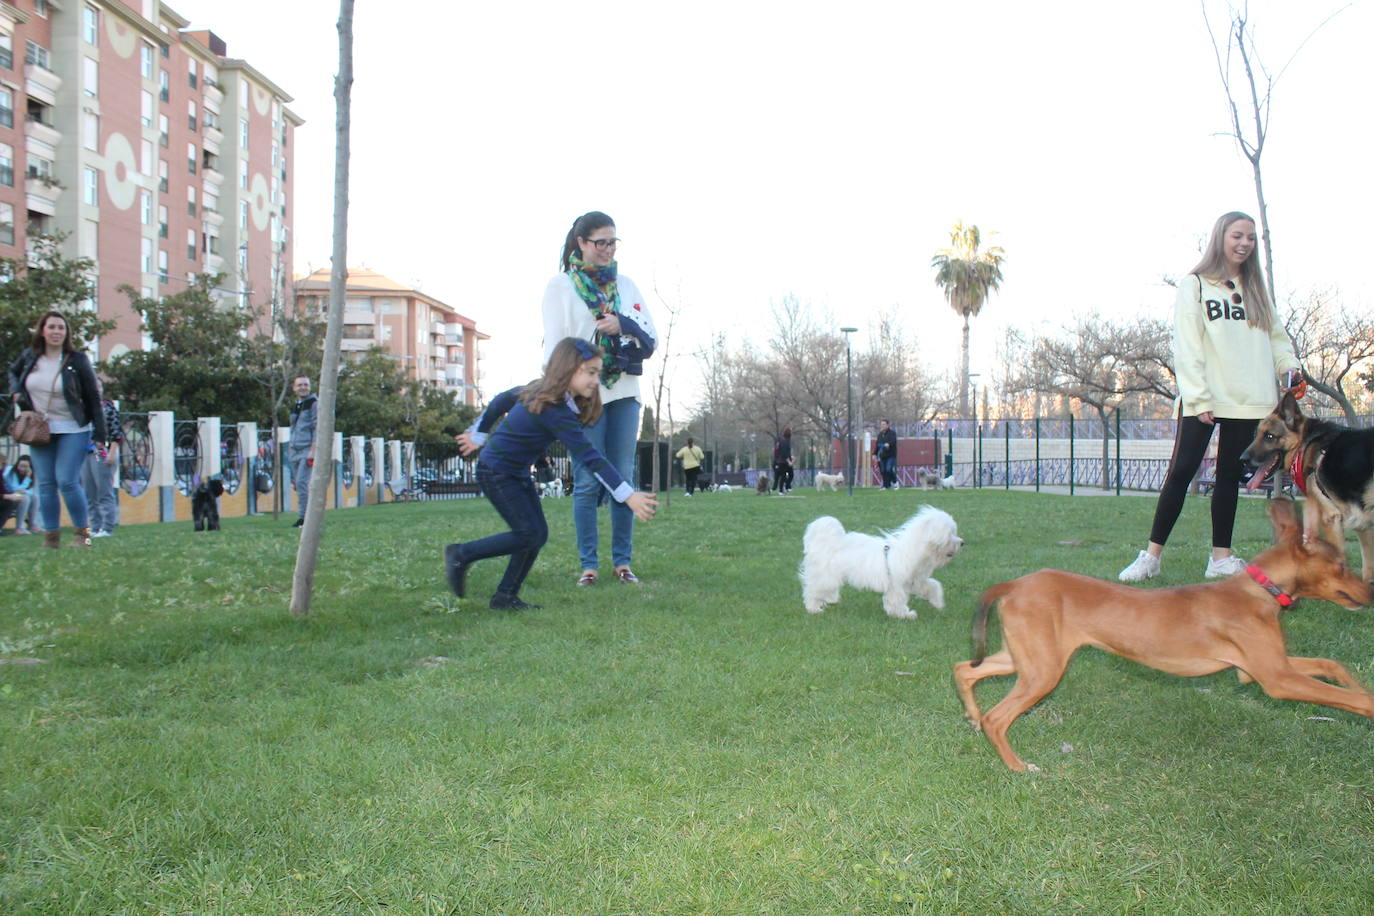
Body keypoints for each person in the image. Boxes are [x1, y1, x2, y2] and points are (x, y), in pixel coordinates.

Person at [1119, 211, 1301, 583]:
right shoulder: (1196, 285)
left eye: (1250, 238)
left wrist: (1290, 367)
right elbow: (1187, 344)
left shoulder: (1257, 290)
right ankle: (1151, 556)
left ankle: (1221, 557)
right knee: (1181, 472)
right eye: (1237, 236)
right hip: (1206, 398)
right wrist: (1198, 397)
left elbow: (1277, 339)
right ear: (1221, 237)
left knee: (1228, 475)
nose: (1244, 244)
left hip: (1250, 398)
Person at [449, 338, 658, 609]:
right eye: (591, 372)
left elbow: (503, 399)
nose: (597, 380)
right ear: (568, 368)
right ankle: (461, 553)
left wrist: (480, 433)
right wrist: (628, 495)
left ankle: (505, 597)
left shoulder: (546, 394)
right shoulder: (553, 409)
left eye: (598, 372)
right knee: (528, 533)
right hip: (496, 472)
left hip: (515, 473)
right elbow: (591, 457)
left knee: (535, 534)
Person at [541, 211, 656, 586]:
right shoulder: (560, 287)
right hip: (584, 396)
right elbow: (555, 348)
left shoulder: (626, 284)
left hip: (624, 391)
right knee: (590, 480)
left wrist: (621, 323)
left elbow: (649, 332)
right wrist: (559, 395)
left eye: (612, 242)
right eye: (600, 242)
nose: (607, 249)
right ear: (581, 243)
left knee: (623, 475)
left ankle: (622, 563)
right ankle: (587, 566)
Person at [7, 310, 108, 547]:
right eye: (51, 327)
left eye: (61, 328)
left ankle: (83, 536)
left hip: (73, 428)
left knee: (67, 481)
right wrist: (16, 391)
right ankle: (51, 538)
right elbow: (12, 372)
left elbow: (93, 397)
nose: (56, 332)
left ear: (66, 333)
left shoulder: (77, 360)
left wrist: (100, 433)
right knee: (45, 483)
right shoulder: (30, 358)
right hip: (40, 430)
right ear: (42, 330)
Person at [80, 385, 122, 538]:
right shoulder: (82, 407)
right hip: (85, 452)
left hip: (101, 452)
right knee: (89, 494)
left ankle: (107, 527)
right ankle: (95, 527)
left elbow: (116, 432)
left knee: (104, 491)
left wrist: (112, 452)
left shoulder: (107, 408)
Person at [287, 375, 318, 528]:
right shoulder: (296, 405)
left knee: (302, 483)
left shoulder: (314, 403)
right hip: (294, 449)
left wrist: (313, 450)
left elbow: (317, 427)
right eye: (300, 385)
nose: (303, 387)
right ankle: (304, 516)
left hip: (307, 449)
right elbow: (293, 427)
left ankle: (304, 518)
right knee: (297, 485)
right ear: (294, 388)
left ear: (310, 387)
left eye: (306, 384)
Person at [1, 455, 36, 534]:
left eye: (26, 466)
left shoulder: (32, 474)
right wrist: (27, 478)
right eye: (21, 466)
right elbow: (16, 490)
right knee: (25, 498)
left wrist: (24, 490)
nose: (22, 469)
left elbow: (30, 490)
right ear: (17, 465)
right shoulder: (9, 472)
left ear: (30, 467)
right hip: (9, 495)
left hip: (14, 495)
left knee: (34, 497)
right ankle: (19, 528)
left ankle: (32, 525)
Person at [874, 419, 898, 489]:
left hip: (891, 455)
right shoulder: (880, 434)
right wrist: (874, 454)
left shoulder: (892, 433)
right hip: (882, 455)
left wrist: (889, 444)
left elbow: (893, 441)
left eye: (884, 424)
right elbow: (877, 445)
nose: (882, 426)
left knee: (888, 469)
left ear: (888, 425)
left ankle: (895, 482)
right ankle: (886, 485)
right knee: (883, 470)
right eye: (881, 424)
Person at [772, 427, 794, 493]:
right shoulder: (784, 441)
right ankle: (781, 490)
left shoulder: (784, 440)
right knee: (784, 476)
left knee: (789, 475)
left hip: (781, 460)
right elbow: (784, 452)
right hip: (783, 461)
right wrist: (788, 461)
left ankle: (787, 486)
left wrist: (791, 457)